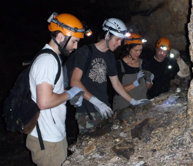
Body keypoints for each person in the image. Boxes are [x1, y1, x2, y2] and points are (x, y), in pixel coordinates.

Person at [26, 12, 89, 166]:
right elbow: (44, 102)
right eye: (74, 41)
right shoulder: (47, 61)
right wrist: (69, 93)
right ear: (61, 36)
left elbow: (50, 95)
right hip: (47, 141)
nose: (76, 47)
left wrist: (68, 93)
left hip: (52, 136)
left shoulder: (53, 58)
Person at [70, 18, 150, 134]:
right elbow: (75, 82)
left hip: (105, 109)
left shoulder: (109, 57)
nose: (119, 44)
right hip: (87, 110)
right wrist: (96, 102)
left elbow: (116, 84)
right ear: (107, 35)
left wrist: (133, 101)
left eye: (121, 40)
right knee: (90, 146)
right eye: (117, 40)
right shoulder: (86, 51)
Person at [113, 33, 154, 111]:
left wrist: (149, 80)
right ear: (128, 48)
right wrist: (135, 83)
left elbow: (148, 87)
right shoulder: (118, 65)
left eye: (140, 50)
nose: (138, 53)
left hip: (141, 107)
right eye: (136, 50)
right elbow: (117, 90)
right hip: (123, 108)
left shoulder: (143, 63)